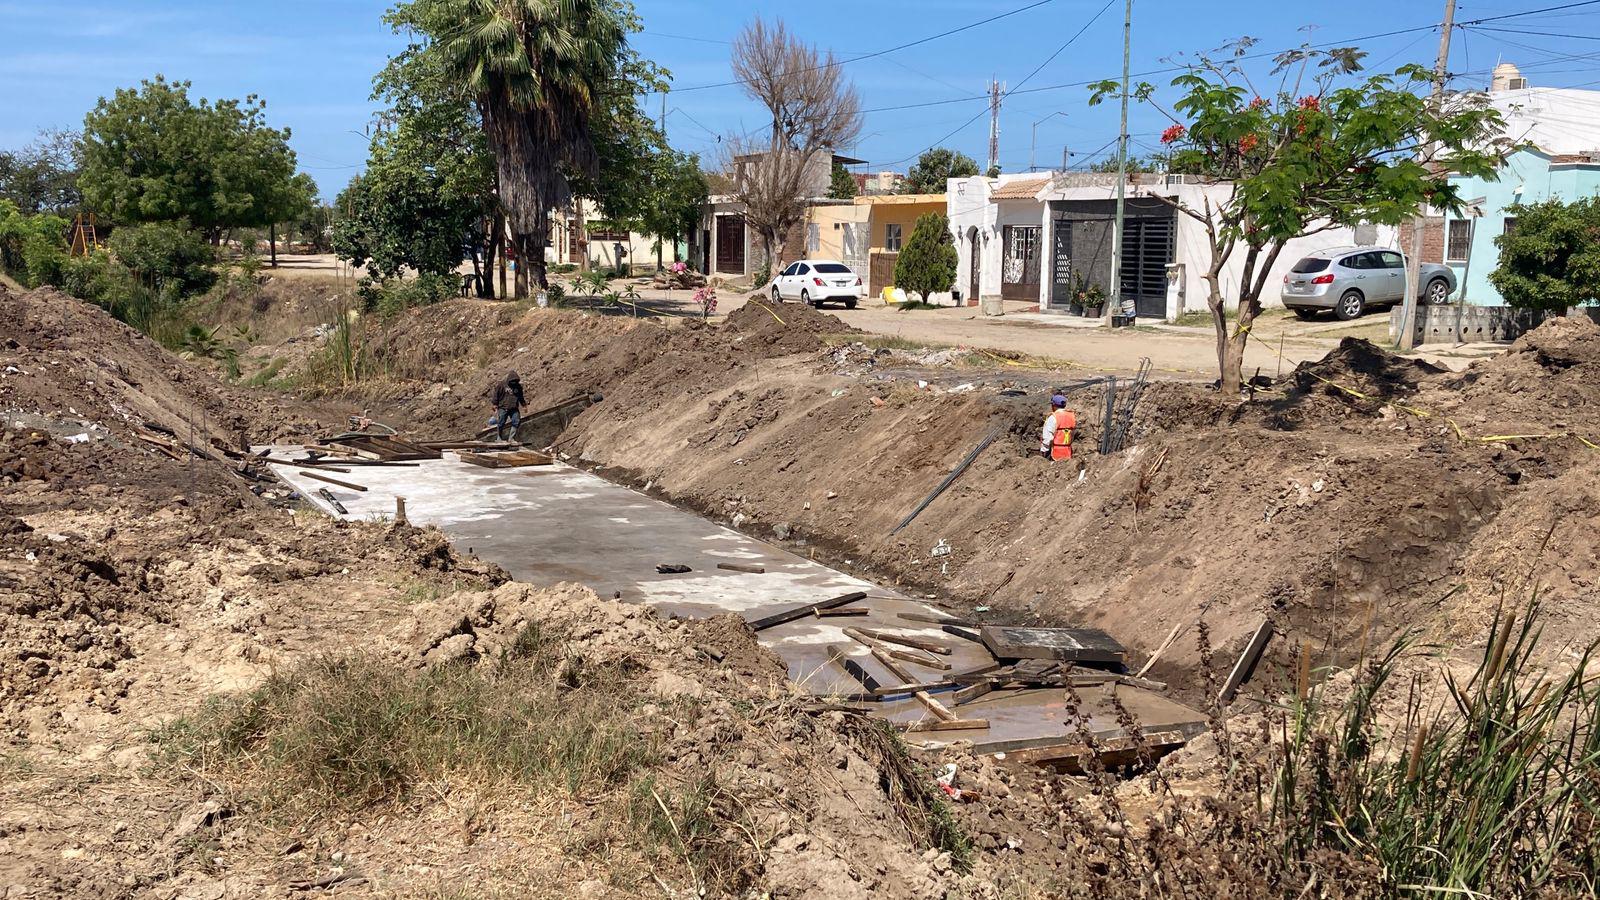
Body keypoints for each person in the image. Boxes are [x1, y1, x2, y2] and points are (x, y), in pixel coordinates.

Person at [1040, 394, 1076, 461]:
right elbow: (1072, 435)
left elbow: (1048, 438)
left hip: (1055, 453)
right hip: (1067, 453)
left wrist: (1043, 451)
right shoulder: (1071, 416)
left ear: (1053, 405)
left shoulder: (1053, 417)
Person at [491, 371, 525, 441]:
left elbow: (521, 397)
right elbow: (496, 395)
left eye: (515, 381)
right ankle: (499, 438)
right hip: (503, 407)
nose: (514, 382)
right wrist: (495, 404)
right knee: (501, 423)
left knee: (516, 421)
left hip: (514, 408)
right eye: (512, 381)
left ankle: (511, 438)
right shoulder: (502, 385)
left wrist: (524, 405)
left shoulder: (518, 387)